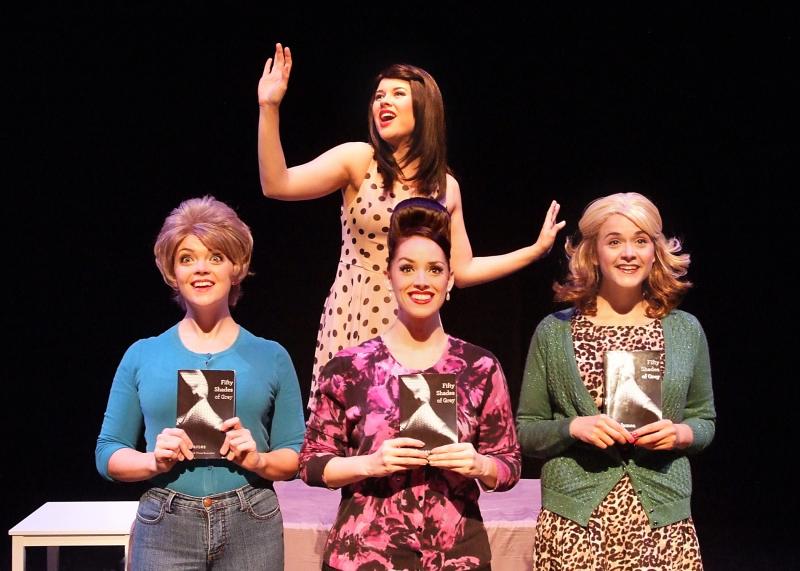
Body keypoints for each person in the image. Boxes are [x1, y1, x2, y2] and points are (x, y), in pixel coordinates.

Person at [257, 43, 565, 402]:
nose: (383, 102)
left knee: (415, 431)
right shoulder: (359, 160)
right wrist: (269, 107)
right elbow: (277, 184)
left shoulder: (445, 187)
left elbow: (461, 271)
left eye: (397, 94)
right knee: (354, 429)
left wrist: (534, 251)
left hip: (418, 318)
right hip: (354, 315)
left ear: (423, 107)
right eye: (378, 96)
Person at [299, 198, 521, 570]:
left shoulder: (479, 366)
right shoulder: (349, 367)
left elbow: (509, 464)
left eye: (434, 269)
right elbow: (311, 464)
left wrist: (479, 464)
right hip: (365, 554)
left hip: (456, 556)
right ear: (390, 275)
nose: (421, 281)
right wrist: (370, 464)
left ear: (450, 279)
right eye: (408, 268)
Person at [95, 196, 305, 570]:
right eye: (187, 258)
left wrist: (258, 459)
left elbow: (293, 455)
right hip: (165, 522)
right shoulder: (143, 355)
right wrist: (153, 461)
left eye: (215, 257)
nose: (201, 269)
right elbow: (108, 452)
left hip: (250, 520)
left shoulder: (271, 356)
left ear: (236, 267)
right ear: (172, 272)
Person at [516, 192, 716, 569]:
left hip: (662, 524)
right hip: (574, 523)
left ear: (656, 251)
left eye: (641, 241)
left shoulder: (686, 331)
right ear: (593, 253)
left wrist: (681, 434)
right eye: (614, 241)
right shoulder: (554, 332)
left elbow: (705, 420)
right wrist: (573, 427)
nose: (628, 253)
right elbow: (526, 431)